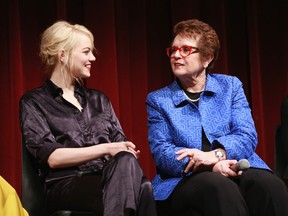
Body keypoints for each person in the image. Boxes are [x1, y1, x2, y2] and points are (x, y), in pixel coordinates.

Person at [146, 19, 288, 216]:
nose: (176, 55)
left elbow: (246, 135)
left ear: (207, 58)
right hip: (185, 178)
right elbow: (162, 153)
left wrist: (216, 155)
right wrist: (208, 166)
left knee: (271, 187)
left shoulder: (230, 87)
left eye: (185, 49)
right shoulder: (159, 100)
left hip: (235, 162)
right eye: (173, 50)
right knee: (220, 188)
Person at [19, 20, 157, 216]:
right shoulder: (34, 102)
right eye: (86, 52)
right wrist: (107, 148)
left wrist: (125, 149)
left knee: (128, 165)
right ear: (63, 55)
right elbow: (53, 158)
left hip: (110, 177)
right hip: (66, 184)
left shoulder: (99, 99)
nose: (92, 57)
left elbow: (121, 146)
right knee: (142, 189)